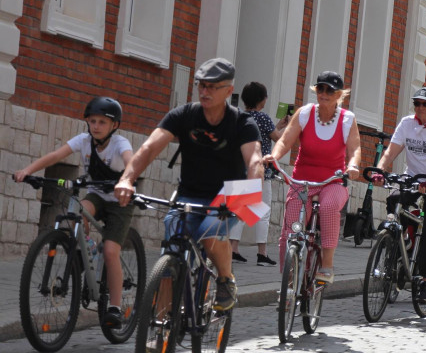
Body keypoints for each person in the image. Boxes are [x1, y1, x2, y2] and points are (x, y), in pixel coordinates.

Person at [114, 58, 263, 311]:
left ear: (228, 90)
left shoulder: (242, 123)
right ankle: (161, 324)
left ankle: (226, 279)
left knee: (210, 231)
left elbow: (255, 160)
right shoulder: (184, 115)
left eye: (211, 87)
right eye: (201, 85)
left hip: (230, 195)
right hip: (189, 194)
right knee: (170, 254)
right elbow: (150, 147)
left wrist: (250, 192)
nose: (204, 92)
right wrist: (127, 179)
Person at [15, 97, 134, 329]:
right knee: (77, 214)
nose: (96, 126)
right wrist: (28, 170)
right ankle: (85, 254)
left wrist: (128, 181)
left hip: (121, 200)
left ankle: (115, 308)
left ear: (114, 126)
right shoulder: (84, 140)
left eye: (102, 122)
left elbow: (131, 161)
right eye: (92, 121)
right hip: (97, 196)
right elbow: (57, 155)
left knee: (111, 251)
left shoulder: (120, 143)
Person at [264, 71, 362, 283]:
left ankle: (326, 266)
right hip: (303, 180)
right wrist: (275, 155)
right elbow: (285, 140)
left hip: (333, 181)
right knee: (291, 227)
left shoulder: (347, 119)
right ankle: (288, 280)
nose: (324, 93)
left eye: (330, 90)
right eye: (320, 89)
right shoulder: (305, 113)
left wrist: (353, 166)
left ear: (339, 95)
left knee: (328, 208)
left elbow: (355, 148)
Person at [374, 87, 426, 302]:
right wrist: (381, 170)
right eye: (417, 103)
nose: (420, 108)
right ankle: (404, 241)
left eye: (425, 104)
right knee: (393, 199)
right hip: (413, 178)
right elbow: (391, 150)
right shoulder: (407, 123)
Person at [229, 81, 289, 266]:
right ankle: (262, 253)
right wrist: (287, 127)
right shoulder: (263, 118)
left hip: (241, 168)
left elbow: (265, 134)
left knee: (240, 209)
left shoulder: (237, 116)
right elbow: (277, 139)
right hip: (261, 169)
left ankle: (233, 249)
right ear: (261, 100)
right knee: (263, 211)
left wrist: (277, 125)